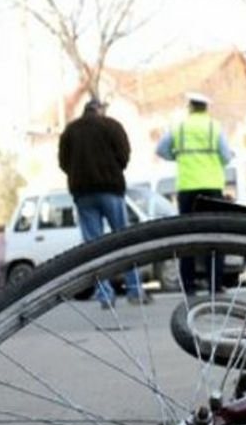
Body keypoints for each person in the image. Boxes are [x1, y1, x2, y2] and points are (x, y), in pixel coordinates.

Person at [58, 97, 151, 308]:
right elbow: (124, 155)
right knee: (123, 241)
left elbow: (63, 162)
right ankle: (135, 291)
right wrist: (112, 169)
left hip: (83, 192)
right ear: (100, 110)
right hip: (110, 189)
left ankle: (105, 295)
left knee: (94, 247)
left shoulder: (70, 131)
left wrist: (78, 174)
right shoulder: (111, 126)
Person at [156, 92, 232, 293]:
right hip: (212, 187)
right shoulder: (214, 127)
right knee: (214, 236)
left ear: (190, 107)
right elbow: (226, 155)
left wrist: (177, 157)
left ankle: (188, 286)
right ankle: (215, 285)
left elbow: (161, 149)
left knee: (188, 236)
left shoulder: (178, 127)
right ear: (206, 108)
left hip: (187, 187)